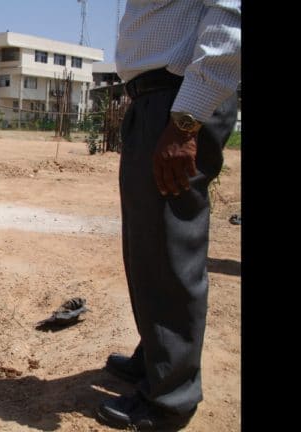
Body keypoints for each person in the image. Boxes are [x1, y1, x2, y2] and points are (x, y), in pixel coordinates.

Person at [96, 1, 240, 430]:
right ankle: (157, 359)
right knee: (148, 248)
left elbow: (229, 21)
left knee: (171, 250)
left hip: (177, 103)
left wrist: (185, 122)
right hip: (154, 100)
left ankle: (171, 399)